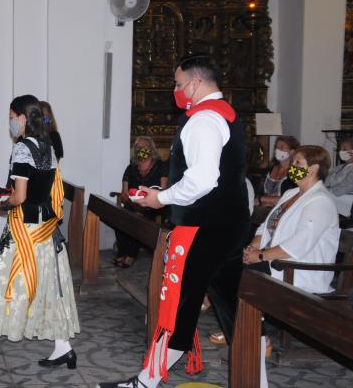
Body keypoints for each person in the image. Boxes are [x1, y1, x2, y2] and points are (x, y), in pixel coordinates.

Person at [98, 54, 252, 388]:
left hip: (204, 228)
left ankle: (146, 381)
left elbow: (202, 180)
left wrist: (160, 198)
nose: (176, 89)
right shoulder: (227, 114)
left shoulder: (202, 120)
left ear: (196, 83)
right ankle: (257, 381)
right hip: (229, 225)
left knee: (179, 304)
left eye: (179, 83)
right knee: (234, 312)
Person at [0, 95, 80, 367]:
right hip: (46, 228)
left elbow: (19, 196)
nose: (10, 123)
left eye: (12, 118)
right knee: (50, 285)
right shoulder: (48, 146)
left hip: (25, 228)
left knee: (2, 279)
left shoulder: (23, 148)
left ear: (24, 118)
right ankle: (63, 347)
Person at [244, 145, 340, 293]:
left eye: (297, 163)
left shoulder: (321, 201)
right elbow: (267, 226)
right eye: (292, 162)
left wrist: (261, 256)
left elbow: (300, 242)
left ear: (313, 169)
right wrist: (253, 248)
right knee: (228, 264)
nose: (291, 167)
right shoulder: (291, 193)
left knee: (234, 274)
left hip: (297, 268)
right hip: (274, 261)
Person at [116, 136, 168, 268]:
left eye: (144, 147)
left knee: (138, 217)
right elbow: (123, 194)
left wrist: (144, 204)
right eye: (138, 148)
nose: (141, 150)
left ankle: (131, 255)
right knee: (119, 217)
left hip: (154, 205)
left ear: (151, 149)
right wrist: (132, 199)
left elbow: (164, 190)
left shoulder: (160, 166)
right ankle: (122, 252)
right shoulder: (131, 168)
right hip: (133, 204)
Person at [259, 135, 299, 207]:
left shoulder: (295, 172)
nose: (277, 150)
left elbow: (292, 197)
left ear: (292, 152)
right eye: (276, 147)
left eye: (281, 147)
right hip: (264, 209)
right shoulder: (270, 168)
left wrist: (261, 199)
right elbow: (259, 191)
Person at [325, 137, 353, 216]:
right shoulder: (339, 167)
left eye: (344, 149)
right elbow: (326, 181)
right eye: (340, 149)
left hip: (344, 201)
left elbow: (346, 187)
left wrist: (326, 192)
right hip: (333, 196)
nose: (341, 152)